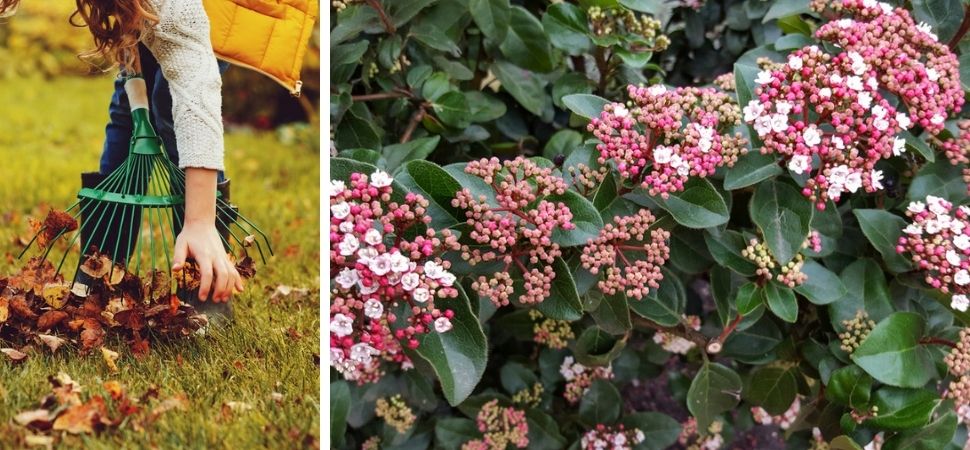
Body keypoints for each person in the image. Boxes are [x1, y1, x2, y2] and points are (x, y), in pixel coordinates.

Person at [0, 0, 244, 309]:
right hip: (149, 11)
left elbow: (194, 77)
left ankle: (205, 278)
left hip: (212, 11)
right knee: (128, 107)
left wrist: (200, 221)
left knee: (168, 100)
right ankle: (101, 265)